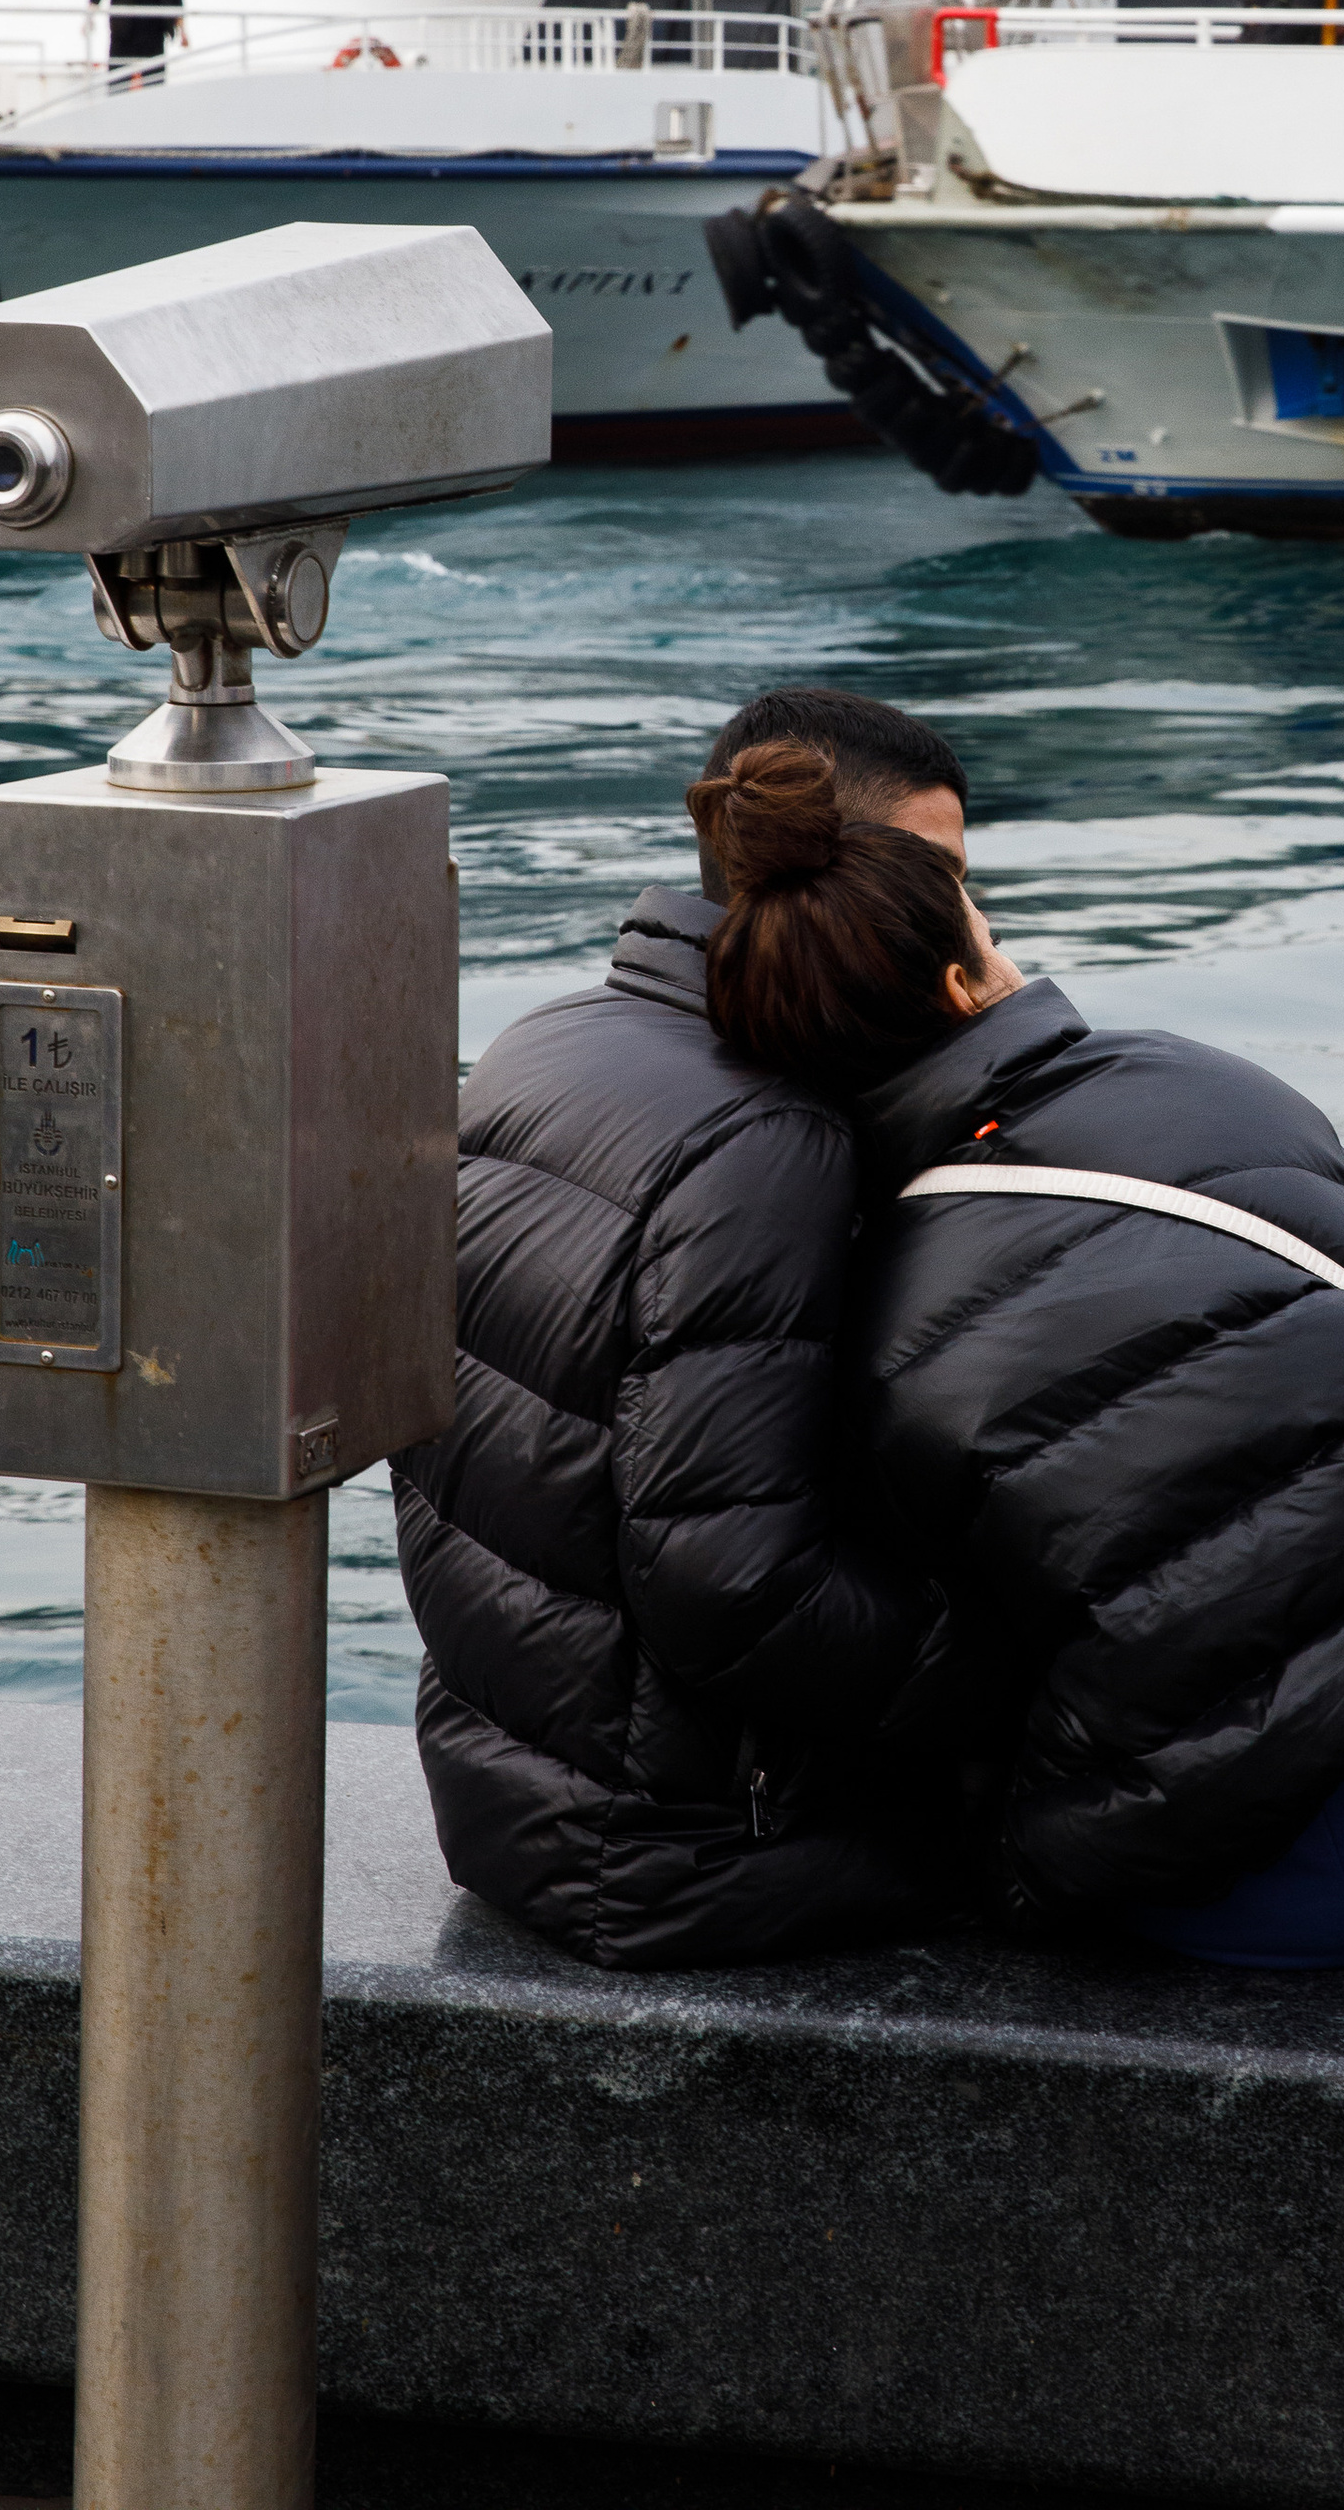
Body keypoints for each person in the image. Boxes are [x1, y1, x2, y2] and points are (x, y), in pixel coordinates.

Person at [687, 740, 1344, 1970]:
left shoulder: (852, 1287)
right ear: (959, 984)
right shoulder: (1196, 1081)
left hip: (1314, 1878)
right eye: (993, 935)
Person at [393, 686, 974, 1967]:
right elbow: (733, 1587)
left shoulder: (551, 1039)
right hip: (698, 1853)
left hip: (513, 1799)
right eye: (940, 876)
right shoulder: (770, 1134)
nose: (963, 918)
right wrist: (993, 1673)